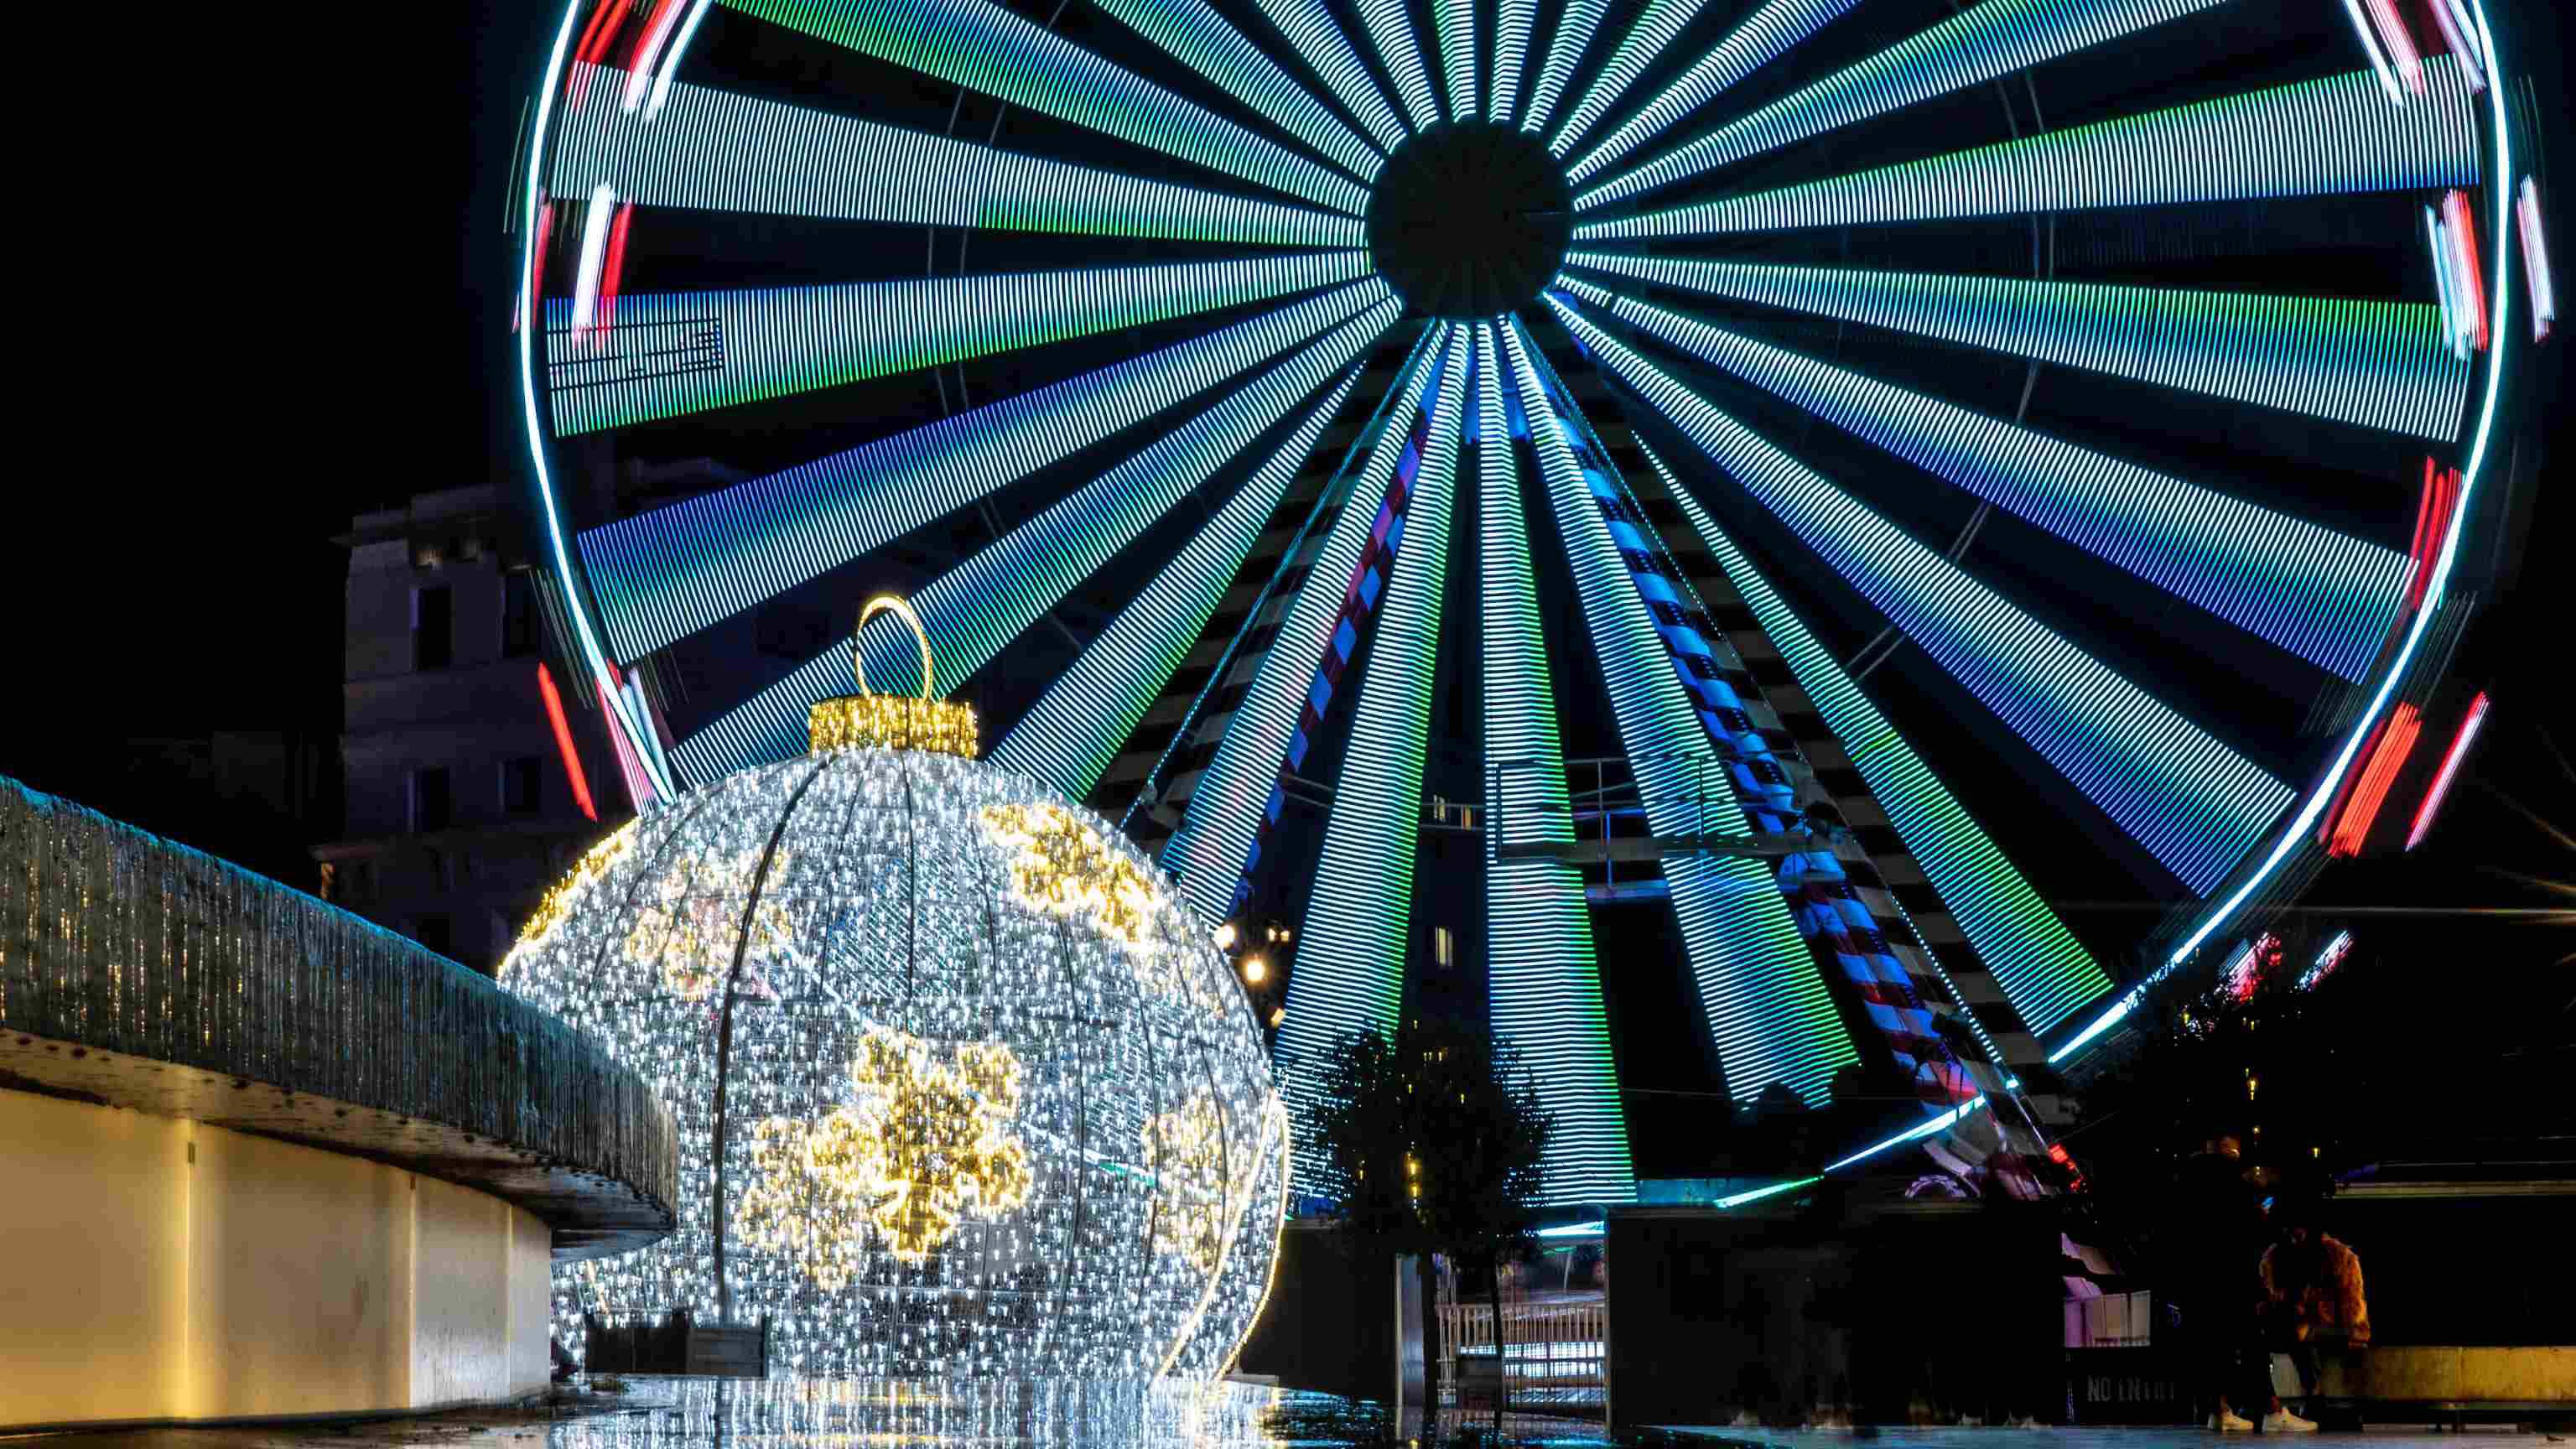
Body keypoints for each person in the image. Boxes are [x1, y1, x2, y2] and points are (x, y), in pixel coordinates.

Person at [2163, 1135, 2272, 1431]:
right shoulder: (2230, 1185)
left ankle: (2218, 1409)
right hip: (2228, 1276)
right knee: (2247, 1341)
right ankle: (2266, 1407)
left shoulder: (2187, 1183)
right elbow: (2243, 1236)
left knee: (2208, 1344)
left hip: (2196, 1278)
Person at [2259, 1198, 2370, 1432]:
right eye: (2287, 1231)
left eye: (2297, 1231)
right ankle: (2307, 1398)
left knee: (2297, 1332)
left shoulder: (2336, 1255)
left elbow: (2352, 1309)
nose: (2293, 1237)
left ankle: (2312, 1397)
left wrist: (2307, 1311)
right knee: (2289, 1330)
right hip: (2293, 1325)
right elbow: (2268, 1300)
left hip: (2336, 1326)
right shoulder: (2274, 1256)